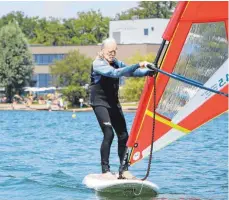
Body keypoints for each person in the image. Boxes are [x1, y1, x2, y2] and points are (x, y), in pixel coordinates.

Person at [89, 38, 155, 179]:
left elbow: (130, 72)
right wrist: (138, 64)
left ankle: (123, 170)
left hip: (113, 102)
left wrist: (148, 72)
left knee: (124, 135)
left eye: (114, 51)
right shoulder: (98, 64)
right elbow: (115, 73)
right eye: (109, 51)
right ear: (102, 50)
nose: (112, 54)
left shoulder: (116, 62)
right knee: (109, 133)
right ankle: (105, 171)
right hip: (99, 102)